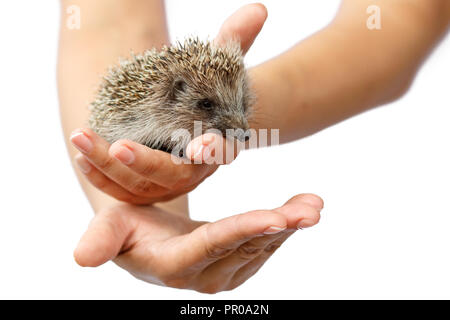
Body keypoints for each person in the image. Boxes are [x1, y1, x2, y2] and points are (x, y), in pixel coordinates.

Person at [58, 0, 450, 293]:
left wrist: (238, 100)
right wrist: (137, 197)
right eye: (206, 105)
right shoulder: (157, 103)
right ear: (175, 96)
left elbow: (398, 20)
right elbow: (109, 18)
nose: (240, 125)